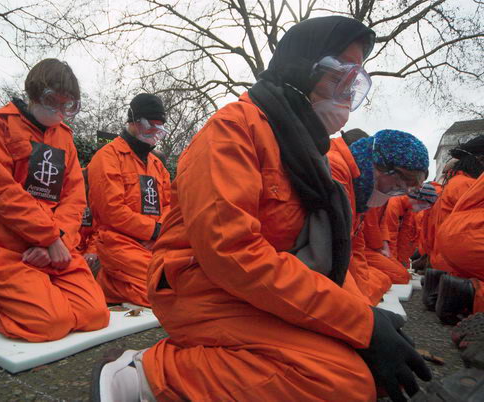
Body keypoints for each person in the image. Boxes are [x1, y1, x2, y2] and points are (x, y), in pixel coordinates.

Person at [92, 16, 430, 402]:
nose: (347, 94)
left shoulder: (305, 147)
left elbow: (322, 256)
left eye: (355, 83)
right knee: (343, 382)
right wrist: (358, 322)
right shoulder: (232, 130)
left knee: (369, 371)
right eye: (340, 77)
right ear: (302, 68)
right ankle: (150, 374)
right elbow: (231, 252)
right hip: (198, 284)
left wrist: (361, 317)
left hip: (251, 285)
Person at [0, 59, 109, 342]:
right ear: (34, 94)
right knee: (51, 324)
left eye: (68, 106)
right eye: (52, 101)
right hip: (2, 244)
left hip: (55, 247)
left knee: (95, 315)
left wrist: (59, 241)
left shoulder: (64, 137)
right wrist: (49, 237)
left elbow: (74, 198)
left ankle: (32, 298)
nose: (59, 112)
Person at [87, 94, 171, 307]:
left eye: (159, 128)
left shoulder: (157, 165)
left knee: (184, 278)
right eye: (149, 126)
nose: (154, 133)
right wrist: (153, 231)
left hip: (156, 242)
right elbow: (111, 210)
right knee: (164, 290)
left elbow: (170, 204)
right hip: (119, 242)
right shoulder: (107, 157)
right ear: (133, 121)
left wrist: (159, 233)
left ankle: (112, 285)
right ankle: (111, 285)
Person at [328, 129, 429, 299]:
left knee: (391, 277)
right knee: (394, 276)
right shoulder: (339, 172)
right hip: (362, 252)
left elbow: (355, 243)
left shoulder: (362, 187)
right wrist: (363, 302)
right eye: (398, 185)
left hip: (361, 252)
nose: (397, 192)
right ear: (382, 167)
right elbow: (353, 243)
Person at [421, 136, 484, 317]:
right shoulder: (465, 183)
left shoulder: (456, 183)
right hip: (464, 244)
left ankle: (455, 287)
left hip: (450, 249)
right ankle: (468, 294)